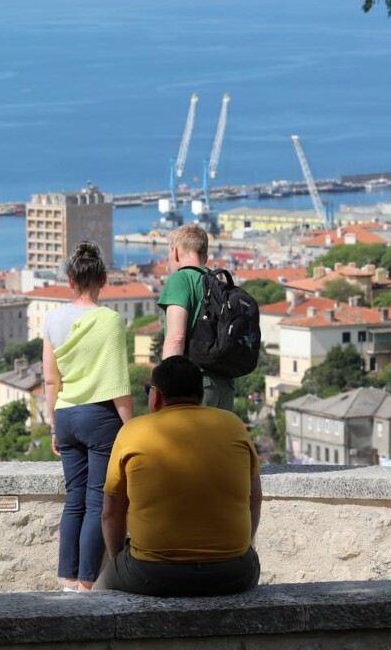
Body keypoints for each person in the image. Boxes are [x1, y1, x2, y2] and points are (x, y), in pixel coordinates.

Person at [94, 355, 262, 596]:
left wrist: (117, 562)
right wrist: (242, 548)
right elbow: (254, 498)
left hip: (151, 573)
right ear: (200, 394)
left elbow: (111, 512)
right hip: (234, 573)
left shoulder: (132, 431)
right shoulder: (233, 425)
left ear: (157, 395)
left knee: (99, 595)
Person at [42, 241, 134, 592]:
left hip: (65, 416)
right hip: (100, 417)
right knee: (98, 501)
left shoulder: (53, 319)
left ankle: (67, 580)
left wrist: (54, 425)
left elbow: (51, 378)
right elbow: (117, 383)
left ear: (69, 280)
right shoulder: (110, 320)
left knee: (74, 500)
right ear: (104, 280)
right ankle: (86, 585)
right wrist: (134, 426)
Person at [159, 223, 234, 410]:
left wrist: (162, 387)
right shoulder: (218, 283)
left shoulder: (181, 278)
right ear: (205, 257)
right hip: (225, 386)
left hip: (194, 387)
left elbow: (176, 338)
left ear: (175, 252)